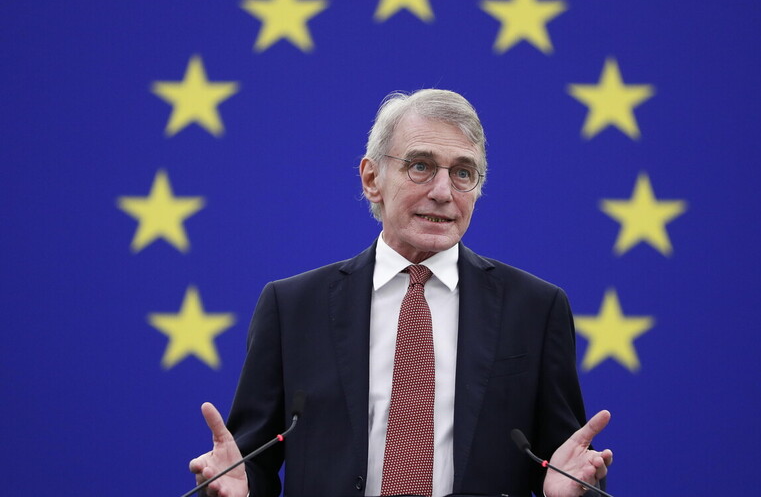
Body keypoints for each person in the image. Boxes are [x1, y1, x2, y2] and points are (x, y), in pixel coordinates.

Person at [189, 89, 613, 497]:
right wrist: (239, 488)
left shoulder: (536, 309)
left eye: (463, 173)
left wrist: (573, 492)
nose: (443, 192)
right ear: (372, 178)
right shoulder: (292, 308)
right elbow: (252, 465)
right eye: (421, 166)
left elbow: (562, 464)